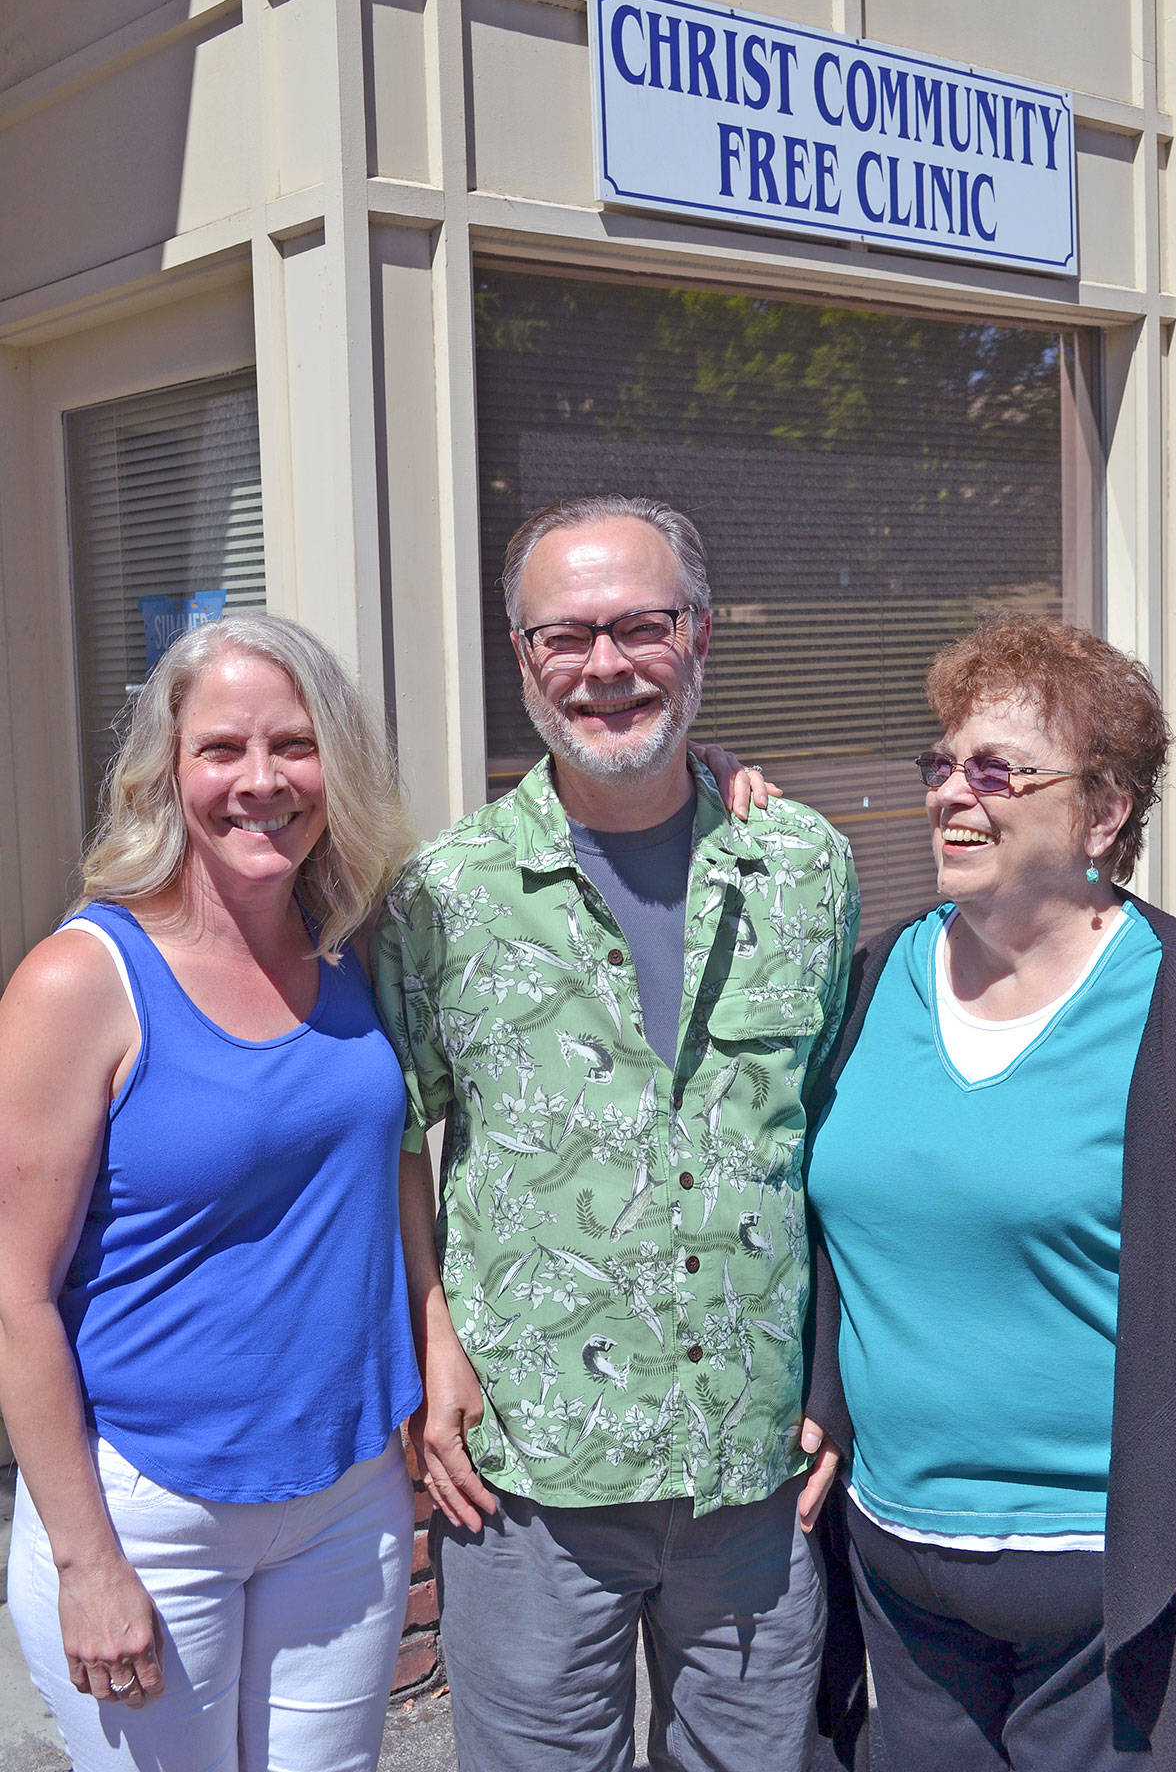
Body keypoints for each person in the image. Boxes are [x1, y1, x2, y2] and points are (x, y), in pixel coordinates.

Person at [374, 494, 857, 1772]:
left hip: (749, 1466)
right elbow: (391, 1140)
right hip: (531, 1466)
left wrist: (829, 1379)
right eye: (564, 636)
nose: (604, 666)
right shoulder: (444, 895)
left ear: (697, 636)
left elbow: (826, 1138)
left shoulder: (803, 866)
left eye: (641, 625)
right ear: (520, 656)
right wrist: (430, 1339)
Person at [804, 612, 1176, 1771]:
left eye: (995, 770)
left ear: (1100, 814)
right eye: (940, 764)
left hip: (1103, 1583)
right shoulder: (875, 977)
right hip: (897, 1565)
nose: (949, 796)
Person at [0, 615, 423, 1772]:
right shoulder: (82, 979)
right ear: (165, 772)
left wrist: (712, 777)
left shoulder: (353, 943)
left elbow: (396, 1168)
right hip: (147, 1505)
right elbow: (13, 1297)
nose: (261, 782)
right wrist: (87, 1563)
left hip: (346, 1499)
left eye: (293, 745)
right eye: (221, 749)